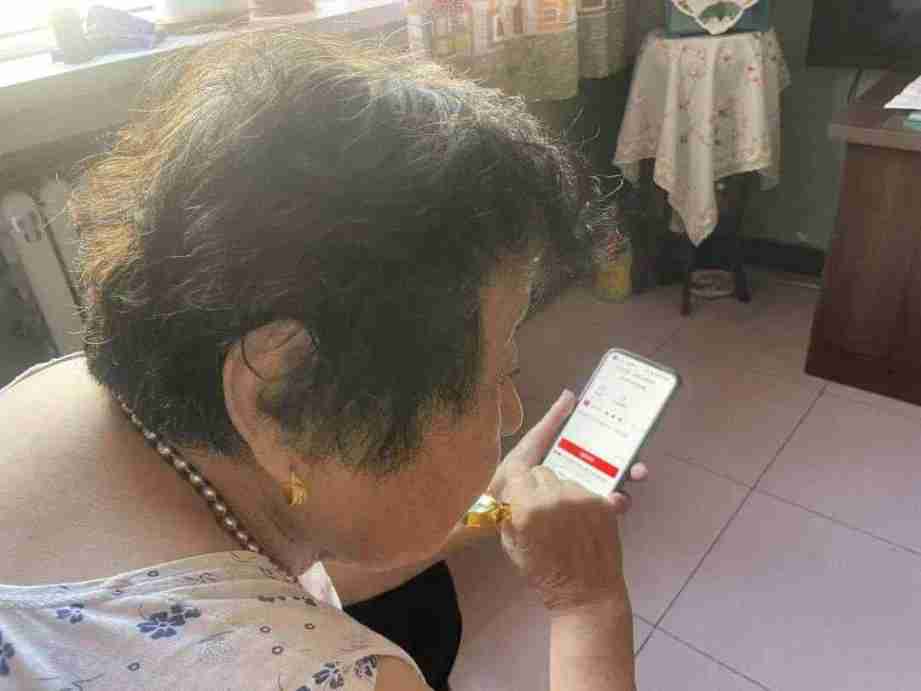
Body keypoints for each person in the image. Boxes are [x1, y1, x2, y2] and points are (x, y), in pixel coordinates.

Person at [0, 31, 645, 690]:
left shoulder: (59, 397)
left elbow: (278, 563)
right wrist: (585, 602)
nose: (509, 410)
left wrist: (492, 505)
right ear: (282, 393)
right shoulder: (327, 677)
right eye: (498, 369)